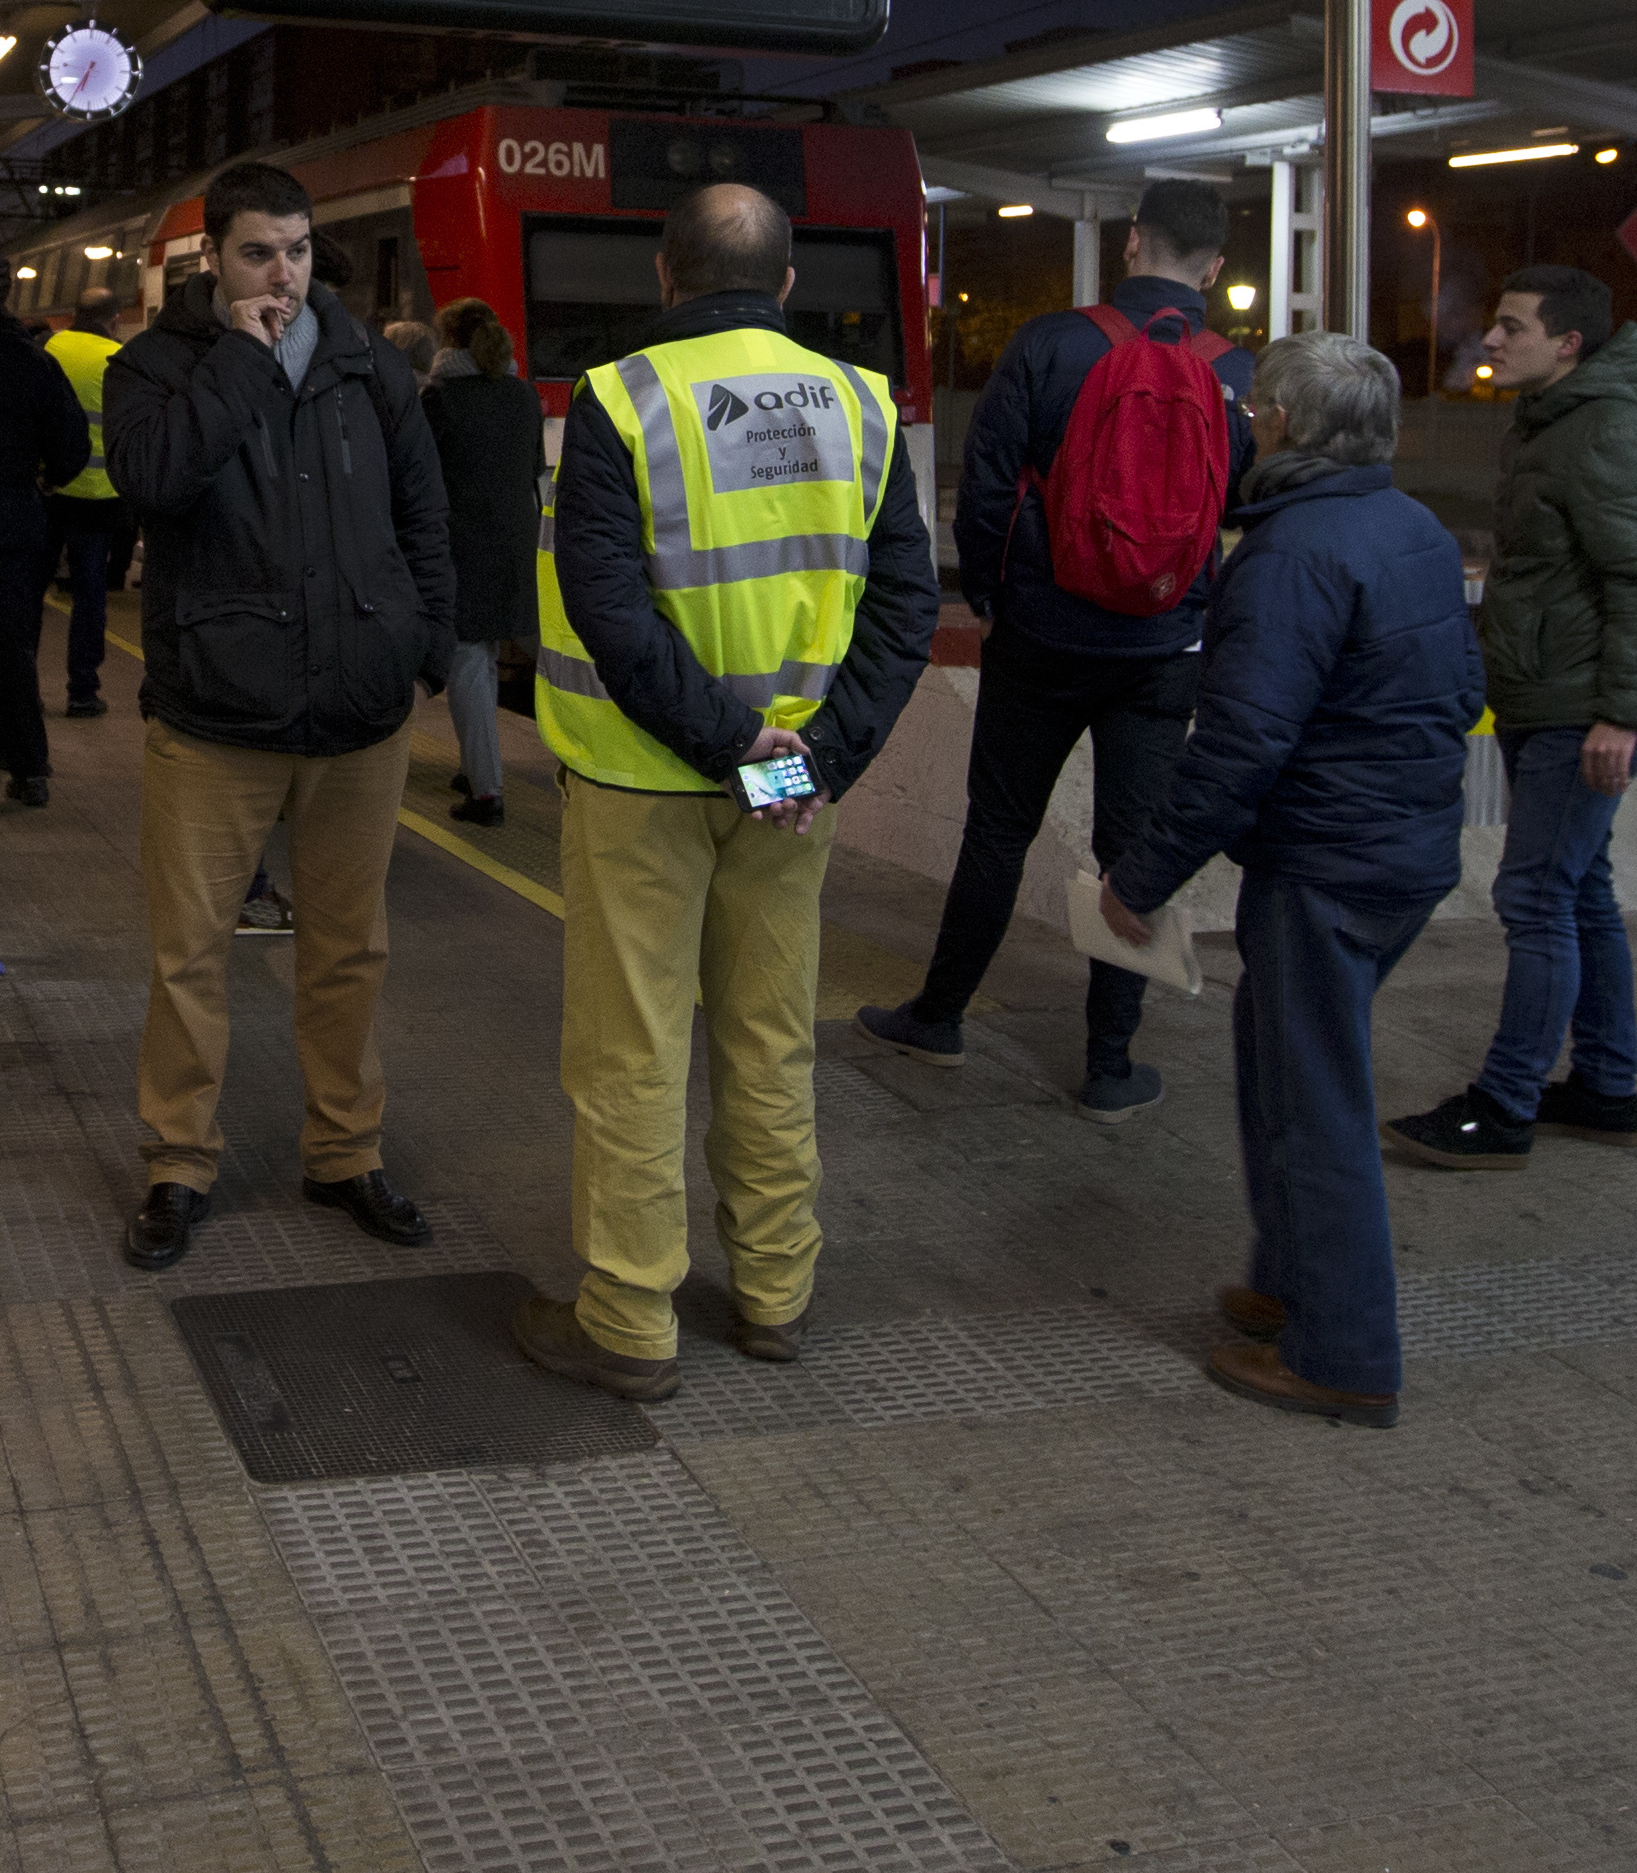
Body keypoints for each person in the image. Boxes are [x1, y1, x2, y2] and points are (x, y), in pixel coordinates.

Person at [510, 186, 937, 1400]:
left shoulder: (618, 399)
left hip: (644, 780)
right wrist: (810, 760)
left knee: (633, 1053)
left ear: (665, 276)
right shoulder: (862, 405)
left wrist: (734, 747)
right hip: (792, 797)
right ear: (789, 284)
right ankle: (775, 1294)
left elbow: (610, 608)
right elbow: (906, 608)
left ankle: (631, 1319)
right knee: (770, 1037)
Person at [1096, 333, 1483, 1426]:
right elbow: (1461, 691)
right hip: (1402, 850)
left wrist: (1145, 874)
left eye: (1252, 405)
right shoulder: (1415, 530)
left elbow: (1239, 742)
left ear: (1279, 423)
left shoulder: (1290, 552)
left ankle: (1345, 1353)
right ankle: (1287, 1286)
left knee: (1318, 1107)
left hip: (1327, 864)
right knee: (1282, 1073)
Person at [105, 160, 455, 1272]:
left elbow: (423, 512)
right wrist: (247, 364)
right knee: (190, 955)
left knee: (350, 950)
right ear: (213, 259)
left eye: (299, 250)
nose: (284, 273)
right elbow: (153, 479)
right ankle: (178, 1161)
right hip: (216, 714)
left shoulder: (368, 367)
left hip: (358, 710)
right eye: (259, 251)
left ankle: (345, 1152)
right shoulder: (157, 368)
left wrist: (424, 643)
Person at [859, 176, 1251, 1122]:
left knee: (998, 829)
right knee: (1131, 851)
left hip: (1043, 634)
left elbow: (988, 488)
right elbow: (1235, 513)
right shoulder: (1236, 374)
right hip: (1163, 647)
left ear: (1130, 244)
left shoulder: (1053, 343)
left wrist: (994, 601)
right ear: (1215, 265)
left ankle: (940, 1017)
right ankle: (1110, 1066)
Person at [1388, 266, 1637, 1170]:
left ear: (1568, 345)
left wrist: (1622, 714)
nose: (1492, 341)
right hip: (1551, 695)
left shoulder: (1604, 431)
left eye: (1513, 327)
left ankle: (1505, 1106)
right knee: (1582, 890)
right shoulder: (1555, 422)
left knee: (1536, 898)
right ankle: (1604, 1088)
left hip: (1582, 708)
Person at [0, 266, 94, 806]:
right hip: (13, 523)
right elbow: (72, 446)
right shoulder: (35, 363)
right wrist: (43, 482)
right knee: (11, 646)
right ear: (8, 294)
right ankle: (26, 764)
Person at [422, 298, 543, 829]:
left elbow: (420, 479)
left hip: (460, 544)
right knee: (487, 656)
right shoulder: (522, 395)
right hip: (516, 541)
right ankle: (477, 769)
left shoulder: (439, 398)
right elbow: (534, 468)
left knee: (468, 660)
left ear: (447, 341)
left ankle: (487, 792)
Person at [43, 286, 144, 717]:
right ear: (115, 319)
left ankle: (20, 690)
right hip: (100, 496)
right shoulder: (117, 360)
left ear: (73, 314)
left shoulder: (52, 347)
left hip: (49, 490)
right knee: (90, 597)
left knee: (30, 590)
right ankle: (82, 690)